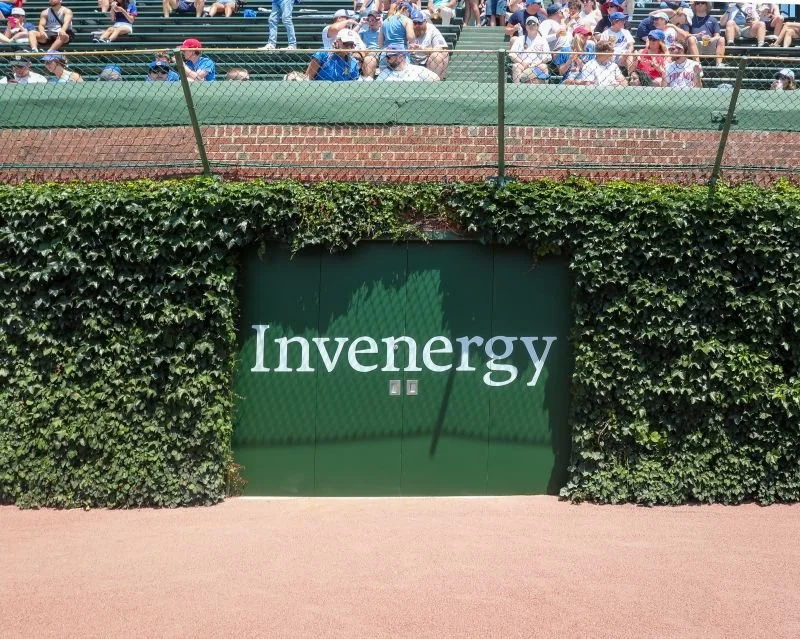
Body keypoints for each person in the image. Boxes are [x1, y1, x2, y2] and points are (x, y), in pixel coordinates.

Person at [509, 16, 551, 83]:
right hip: (523, 66)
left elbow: (548, 56)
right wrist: (522, 63)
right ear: (526, 26)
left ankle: (543, 91)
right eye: (529, 24)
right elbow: (512, 54)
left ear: (537, 26)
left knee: (544, 66)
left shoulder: (543, 40)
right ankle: (517, 90)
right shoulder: (520, 39)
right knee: (516, 66)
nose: (531, 26)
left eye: (534, 24)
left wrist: (538, 63)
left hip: (537, 66)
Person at [409, 10, 449, 79]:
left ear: (425, 22)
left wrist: (421, 49)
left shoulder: (431, 29)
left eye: (420, 23)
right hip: (410, 61)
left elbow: (440, 49)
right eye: (415, 23)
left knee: (438, 55)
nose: (417, 25)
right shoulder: (408, 28)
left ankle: (434, 85)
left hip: (427, 62)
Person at [687, 1, 725, 67]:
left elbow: (717, 35)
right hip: (695, 44)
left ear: (707, 6)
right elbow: (686, 34)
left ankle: (719, 64)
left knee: (722, 39)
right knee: (691, 39)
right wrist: (696, 35)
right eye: (697, 3)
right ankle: (697, 64)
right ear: (695, 6)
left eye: (702, 2)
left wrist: (712, 39)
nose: (700, 4)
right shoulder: (690, 19)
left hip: (709, 43)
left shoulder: (713, 19)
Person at [376, 41, 440, 79]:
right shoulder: (385, 74)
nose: (387, 59)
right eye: (386, 57)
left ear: (400, 57)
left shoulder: (416, 70)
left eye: (389, 57)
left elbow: (436, 78)